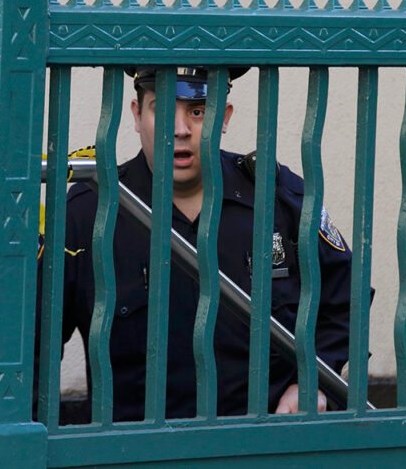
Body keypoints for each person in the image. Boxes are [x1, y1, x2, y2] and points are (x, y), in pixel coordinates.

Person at [58, 66, 355, 421]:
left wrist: (315, 383)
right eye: (162, 109)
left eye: (198, 112)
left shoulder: (277, 200)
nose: (180, 130)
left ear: (224, 117)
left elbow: (346, 299)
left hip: (259, 444)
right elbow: (31, 340)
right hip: (136, 452)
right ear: (137, 115)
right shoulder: (88, 214)